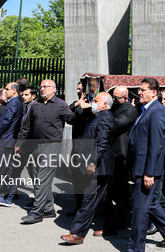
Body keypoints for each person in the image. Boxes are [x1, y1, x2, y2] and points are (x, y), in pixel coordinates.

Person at [128, 78, 165, 251]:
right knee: (149, 204)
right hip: (141, 166)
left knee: (139, 210)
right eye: (139, 89)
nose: (139, 92)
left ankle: (136, 248)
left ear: (153, 92)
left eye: (143, 90)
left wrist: (149, 173)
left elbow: (157, 145)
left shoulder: (157, 111)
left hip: (148, 169)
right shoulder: (146, 109)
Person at [16, 79, 77, 224]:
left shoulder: (60, 105)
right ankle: (49, 208)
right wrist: (20, 143)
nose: (42, 89)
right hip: (34, 146)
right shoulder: (34, 105)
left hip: (52, 145)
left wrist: (80, 108)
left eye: (45, 87)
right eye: (41, 86)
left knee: (42, 179)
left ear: (54, 89)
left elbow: (72, 120)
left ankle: (37, 212)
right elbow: (26, 126)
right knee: (38, 178)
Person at [61, 92, 115, 244]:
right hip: (99, 166)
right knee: (103, 198)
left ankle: (77, 234)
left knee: (88, 199)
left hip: (99, 167)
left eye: (96, 101)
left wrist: (92, 162)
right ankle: (110, 227)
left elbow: (102, 143)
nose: (93, 103)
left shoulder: (105, 119)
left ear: (105, 104)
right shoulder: (100, 117)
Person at [103, 86, 138, 231]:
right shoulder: (116, 107)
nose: (114, 100)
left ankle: (124, 218)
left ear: (125, 98)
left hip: (121, 154)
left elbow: (116, 124)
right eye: (113, 97)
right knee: (114, 187)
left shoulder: (130, 110)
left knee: (121, 188)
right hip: (113, 152)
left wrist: (104, 113)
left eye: (117, 98)